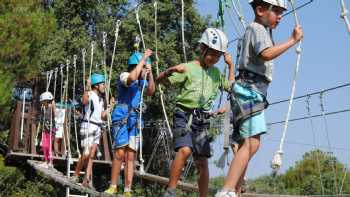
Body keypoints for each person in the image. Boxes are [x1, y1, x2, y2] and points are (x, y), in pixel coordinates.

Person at [215, 0, 303, 196]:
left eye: (282, 12)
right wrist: (292, 40)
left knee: (248, 143)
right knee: (252, 143)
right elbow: (266, 54)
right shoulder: (257, 29)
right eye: (277, 11)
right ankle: (227, 190)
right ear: (261, 10)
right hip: (250, 90)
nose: (280, 16)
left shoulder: (261, 30)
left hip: (249, 91)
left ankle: (235, 190)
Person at [158, 28, 235, 197]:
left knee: (202, 162)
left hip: (202, 120)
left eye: (218, 56)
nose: (214, 59)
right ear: (202, 49)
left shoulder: (216, 73)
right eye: (211, 54)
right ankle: (170, 191)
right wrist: (170, 70)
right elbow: (160, 81)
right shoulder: (188, 68)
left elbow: (231, 88)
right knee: (184, 150)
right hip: (184, 115)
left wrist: (231, 66)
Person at [104, 49, 155, 197]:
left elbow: (151, 91)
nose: (144, 69)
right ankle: (113, 186)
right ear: (136, 65)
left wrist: (150, 73)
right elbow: (130, 79)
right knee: (120, 153)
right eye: (143, 67)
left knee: (131, 156)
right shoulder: (125, 75)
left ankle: (127, 189)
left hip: (135, 119)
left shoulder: (142, 81)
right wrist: (143, 59)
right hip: (121, 118)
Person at [70, 73, 110, 189]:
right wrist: (87, 87)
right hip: (88, 125)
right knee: (86, 153)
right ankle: (76, 175)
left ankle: (86, 180)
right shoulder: (90, 94)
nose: (104, 86)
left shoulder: (101, 99)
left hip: (97, 127)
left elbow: (103, 117)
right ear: (96, 86)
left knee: (92, 155)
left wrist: (109, 108)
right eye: (103, 84)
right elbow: (84, 101)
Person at [38, 91, 56, 169]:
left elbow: (55, 114)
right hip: (45, 129)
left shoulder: (51, 105)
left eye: (43, 101)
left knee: (49, 146)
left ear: (46, 100)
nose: (42, 103)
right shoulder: (43, 108)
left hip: (51, 129)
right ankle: (46, 161)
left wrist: (52, 101)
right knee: (44, 146)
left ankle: (50, 162)